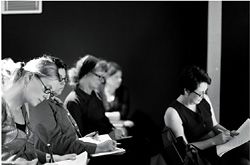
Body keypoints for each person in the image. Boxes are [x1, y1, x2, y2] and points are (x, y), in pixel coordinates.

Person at [28, 56, 117, 156]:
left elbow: (67, 138)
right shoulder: (41, 103)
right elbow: (55, 144)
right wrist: (97, 147)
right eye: (58, 78)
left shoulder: (54, 101)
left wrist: (86, 140)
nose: (63, 82)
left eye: (65, 78)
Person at [164, 65, 249, 165]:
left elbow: (214, 125)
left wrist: (228, 133)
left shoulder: (204, 99)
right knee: (244, 162)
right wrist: (215, 141)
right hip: (203, 156)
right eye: (200, 93)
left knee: (247, 147)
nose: (203, 96)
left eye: (205, 92)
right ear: (186, 91)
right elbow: (185, 150)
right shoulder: (173, 113)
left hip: (219, 146)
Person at [1, 57, 76, 164]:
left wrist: (51, 158)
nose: (46, 97)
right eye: (47, 89)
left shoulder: (23, 109)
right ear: (28, 78)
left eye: (50, 93)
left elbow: (25, 150)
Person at [64, 55, 123, 140]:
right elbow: (79, 139)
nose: (102, 81)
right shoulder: (73, 101)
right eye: (99, 76)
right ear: (86, 73)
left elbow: (104, 122)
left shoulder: (95, 96)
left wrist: (115, 131)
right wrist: (109, 137)